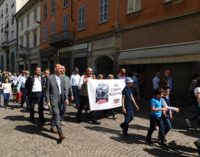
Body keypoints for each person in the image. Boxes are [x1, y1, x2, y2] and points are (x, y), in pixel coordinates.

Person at [46, 64, 68, 143]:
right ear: (55, 69)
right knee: (56, 115)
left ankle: (52, 127)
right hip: (53, 100)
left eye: (62, 68)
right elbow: (47, 91)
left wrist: (66, 98)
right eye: (60, 68)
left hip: (61, 100)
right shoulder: (50, 78)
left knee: (55, 115)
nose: (61, 70)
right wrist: (47, 101)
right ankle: (60, 134)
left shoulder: (62, 78)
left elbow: (64, 89)